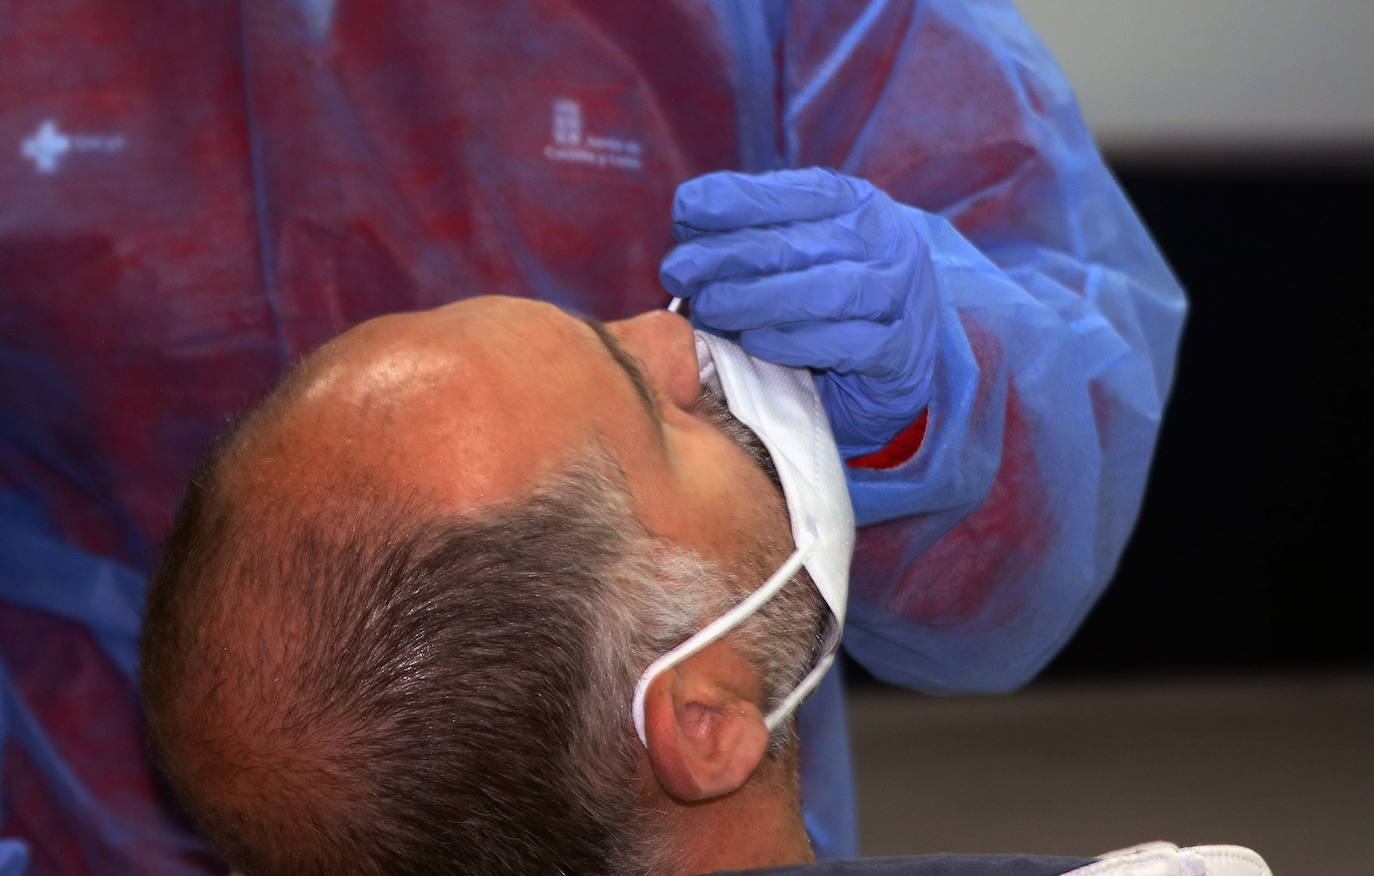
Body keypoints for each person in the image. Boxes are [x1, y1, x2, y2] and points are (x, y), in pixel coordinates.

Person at [0, 1, 1185, 869]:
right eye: (649, 403)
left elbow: (1056, 418)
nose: (681, 336)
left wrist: (942, 396)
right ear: (701, 719)